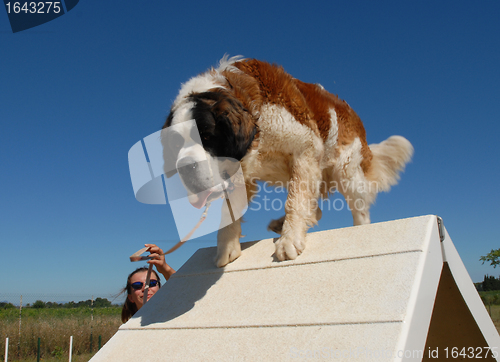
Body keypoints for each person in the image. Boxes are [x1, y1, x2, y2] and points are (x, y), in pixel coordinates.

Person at [121, 244, 175, 323]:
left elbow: (188, 288)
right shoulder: (128, 329)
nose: (145, 288)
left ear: (160, 289)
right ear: (131, 297)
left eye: (152, 283)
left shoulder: (174, 315)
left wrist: (165, 268)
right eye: (137, 285)